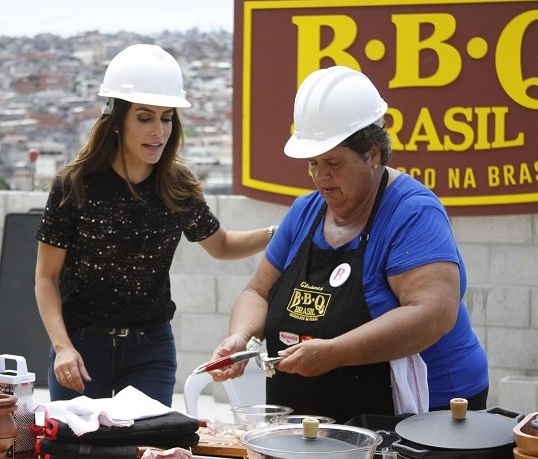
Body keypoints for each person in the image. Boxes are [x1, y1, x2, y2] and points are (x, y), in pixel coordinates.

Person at [206, 66, 489, 422]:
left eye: (333, 163)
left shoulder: (412, 213)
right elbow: (258, 292)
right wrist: (240, 338)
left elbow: (432, 314)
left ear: (372, 154)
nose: (320, 177)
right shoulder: (305, 212)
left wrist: (336, 352)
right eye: (313, 163)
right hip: (323, 411)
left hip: (427, 412)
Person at [34, 44, 275, 407]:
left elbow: (221, 245)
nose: (159, 131)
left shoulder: (176, 185)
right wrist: (63, 347)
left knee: (151, 447)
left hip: (151, 350)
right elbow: (45, 278)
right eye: (145, 117)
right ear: (117, 122)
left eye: (166, 118)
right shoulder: (74, 185)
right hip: (81, 349)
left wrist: (281, 234)